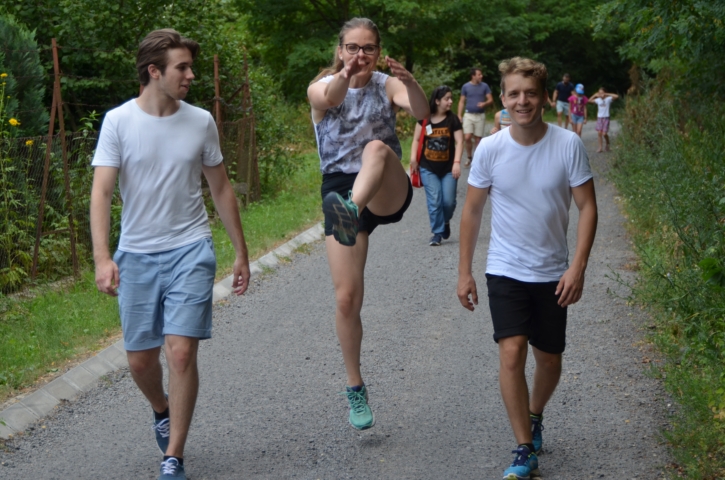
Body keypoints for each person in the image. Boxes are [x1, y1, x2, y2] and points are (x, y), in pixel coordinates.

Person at [90, 29, 250, 480]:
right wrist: (103, 258)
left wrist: (241, 252)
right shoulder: (118, 122)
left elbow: (220, 187)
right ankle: (161, 408)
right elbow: (101, 192)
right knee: (141, 360)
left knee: (180, 353)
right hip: (137, 255)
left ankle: (173, 456)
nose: (191, 75)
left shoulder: (200, 121)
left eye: (191, 67)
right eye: (182, 67)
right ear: (154, 72)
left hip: (190, 249)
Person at [457, 56, 597, 479]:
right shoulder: (491, 149)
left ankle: (535, 414)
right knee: (512, 350)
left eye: (531, 94)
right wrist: (464, 271)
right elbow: (472, 212)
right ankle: (523, 448)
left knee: (549, 360)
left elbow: (588, 207)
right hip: (505, 268)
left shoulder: (567, 144)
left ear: (545, 98)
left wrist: (578, 267)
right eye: (514, 94)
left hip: (553, 272)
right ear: (501, 98)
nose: (522, 101)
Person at [307, 17, 429, 430]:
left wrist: (410, 82)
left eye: (369, 48)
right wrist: (345, 74)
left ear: (379, 51)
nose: (361, 55)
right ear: (340, 50)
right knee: (347, 298)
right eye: (353, 47)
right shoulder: (321, 86)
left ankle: (350, 211)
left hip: (382, 186)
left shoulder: (385, 84)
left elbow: (422, 113)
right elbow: (331, 96)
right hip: (340, 184)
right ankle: (355, 387)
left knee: (376, 147)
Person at [410, 85, 463, 246]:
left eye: (451, 98)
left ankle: (445, 221)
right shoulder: (425, 119)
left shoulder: (452, 120)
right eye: (447, 98)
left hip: (448, 169)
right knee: (434, 200)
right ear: (437, 101)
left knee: (448, 202)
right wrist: (413, 158)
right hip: (428, 168)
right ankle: (437, 233)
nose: (450, 101)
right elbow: (417, 139)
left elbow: (460, 142)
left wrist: (456, 163)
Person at [457, 67, 493, 167]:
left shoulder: (485, 86)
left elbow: (490, 100)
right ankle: (469, 157)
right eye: (479, 75)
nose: (481, 76)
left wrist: (484, 104)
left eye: (481, 74)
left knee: (478, 139)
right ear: (473, 76)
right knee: (467, 137)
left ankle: (477, 159)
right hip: (468, 115)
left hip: (480, 115)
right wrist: (459, 115)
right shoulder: (466, 86)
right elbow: (461, 101)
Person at [590, 87, 619, 152]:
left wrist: (607, 94)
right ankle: (600, 147)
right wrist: (595, 95)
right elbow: (589, 100)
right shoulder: (598, 100)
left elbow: (616, 96)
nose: (601, 94)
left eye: (602, 93)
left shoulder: (608, 99)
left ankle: (607, 144)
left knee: (604, 133)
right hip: (599, 117)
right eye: (599, 93)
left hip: (606, 117)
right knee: (599, 133)